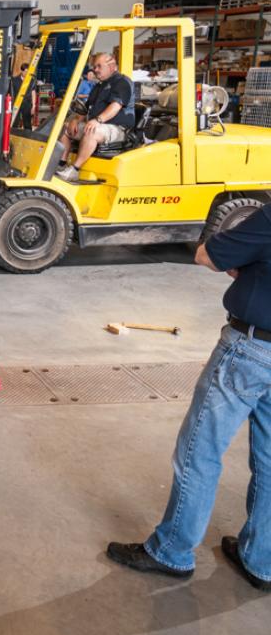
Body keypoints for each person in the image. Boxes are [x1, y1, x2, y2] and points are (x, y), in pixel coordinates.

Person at [107, 204, 271, 593]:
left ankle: (172, 551)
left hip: (250, 352)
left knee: (199, 452)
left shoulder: (268, 219)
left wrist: (243, 262)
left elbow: (207, 255)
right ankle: (261, 559)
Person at [56, 53, 134, 182]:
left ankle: (74, 170)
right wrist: (75, 120)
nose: (95, 70)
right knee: (65, 128)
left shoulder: (122, 82)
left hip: (118, 128)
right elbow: (85, 109)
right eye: (94, 66)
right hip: (99, 125)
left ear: (112, 66)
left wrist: (98, 120)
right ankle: (62, 164)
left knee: (91, 131)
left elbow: (115, 106)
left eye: (99, 66)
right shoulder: (99, 85)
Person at [9, 63, 34, 131]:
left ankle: (28, 137)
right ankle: (13, 135)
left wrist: (33, 106)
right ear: (22, 71)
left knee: (27, 123)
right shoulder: (15, 80)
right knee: (15, 122)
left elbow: (33, 92)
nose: (27, 73)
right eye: (25, 71)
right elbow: (11, 92)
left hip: (27, 103)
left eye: (28, 71)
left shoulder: (31, 80)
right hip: (17, 103)